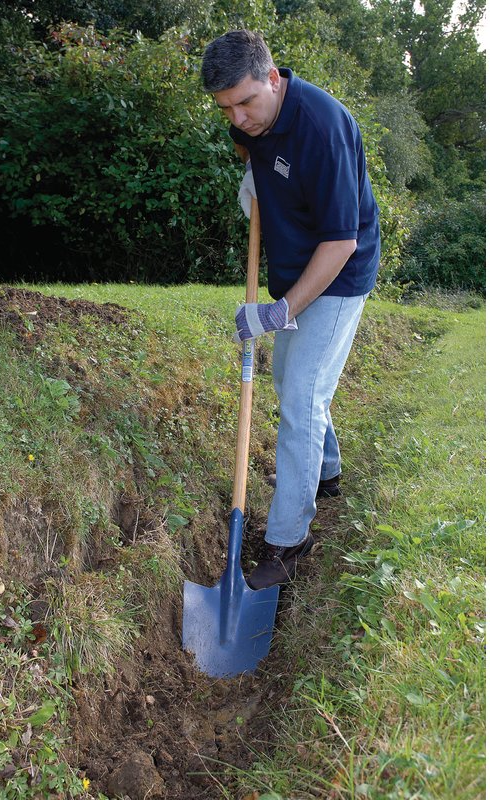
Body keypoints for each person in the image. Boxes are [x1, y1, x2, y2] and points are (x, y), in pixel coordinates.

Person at [201, 30, 381, 590]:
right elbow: (248, 142)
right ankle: (326, 472)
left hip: (338, 272)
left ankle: (288, 540)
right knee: (288, 379)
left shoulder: (323, 127)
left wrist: (278, 314)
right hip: (295, 265)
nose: (239, 118)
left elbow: (341, 241)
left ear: (273, 80)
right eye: (226, 109)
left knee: (301, 394)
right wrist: (251, 170)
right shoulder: (249, 118)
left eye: (247, 103)